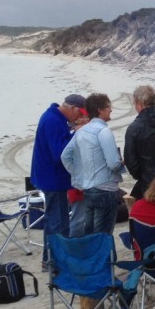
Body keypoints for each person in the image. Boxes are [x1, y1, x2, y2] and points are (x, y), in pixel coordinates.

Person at [30, 94, 87, 271]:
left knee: (58, 219)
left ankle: (52, 259)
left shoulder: (55, 117)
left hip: (54, 178)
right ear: (72, 109)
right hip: (52, 179)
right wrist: (75, 134)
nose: (78, 118)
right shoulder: (52, 121)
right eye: (78, 114)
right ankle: (54, 261)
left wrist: (71, 130)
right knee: (57, 221)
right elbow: (59, 153)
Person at [61, 93, 123, 237]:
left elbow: (65, 156)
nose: (111, 110)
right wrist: (121, 164)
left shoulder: (81, 131)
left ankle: (89, 258)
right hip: (105, 188)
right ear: (100, 110)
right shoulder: (103, 131)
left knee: (90, 231)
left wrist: (79, 174)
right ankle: (103, 260)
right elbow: (113, 163)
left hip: (89, 188)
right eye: (108, 107)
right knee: (103, 235)